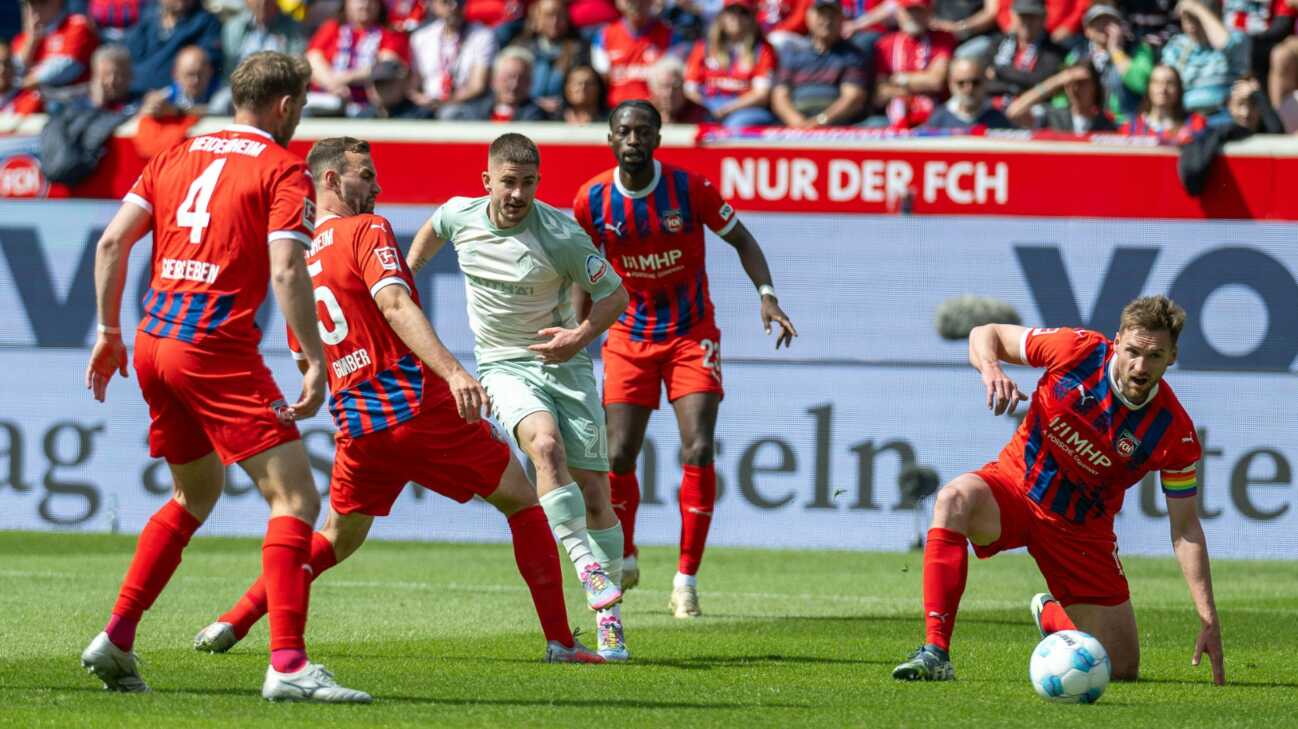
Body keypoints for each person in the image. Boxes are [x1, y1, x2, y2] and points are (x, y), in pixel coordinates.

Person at [191, 137, 602, 666]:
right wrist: (454, 372)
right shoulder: (368, 229)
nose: (378, 186)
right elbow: (393, 301)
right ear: (332, 182)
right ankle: (562, 642)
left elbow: (302, 351)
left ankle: (233, 620)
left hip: (359, 426)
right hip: (419, 409)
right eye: (365, 175)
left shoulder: (297, 257)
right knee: (523, 502)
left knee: (335, 538)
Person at [79, 51, 370, 703]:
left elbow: (110, 243)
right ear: (286, 106)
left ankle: (117, 636)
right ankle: (289, 663)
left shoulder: (176, 154)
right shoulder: (280, 168)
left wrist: (107, 333)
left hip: (154, 342)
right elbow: (290, 272)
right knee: (295, 498)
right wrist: (314, 358)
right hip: (212, 346)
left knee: (194, 495)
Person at [890, 295, 1226, 688]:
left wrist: (1209, 617)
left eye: (1154, 356)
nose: (1140, 366)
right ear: (1116, 341)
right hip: (1014, 488)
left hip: (1080, 533)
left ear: (1172, 357)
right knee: (953, 499)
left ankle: (1050, 614)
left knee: (1119, 667)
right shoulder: (1075, 350)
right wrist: (991, 368)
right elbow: (987, 333)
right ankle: (935, 652)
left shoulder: (1174, 433)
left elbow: (1184, 528)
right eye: (1132, 351)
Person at [407, 133, 632, 661]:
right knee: (545, 448)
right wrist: (403, 277)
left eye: (528, 182)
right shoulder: (459, 216)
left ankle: (610, 622)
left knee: (597, 495)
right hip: (504, 365)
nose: (517, 193)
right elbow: (432, 232)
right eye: (508, 181)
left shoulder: (560, 233)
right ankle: (586, 564)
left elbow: (615, 295)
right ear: (487, 180)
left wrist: (578, 335)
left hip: (565, 364)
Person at [572, 100, 797, 618]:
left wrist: (766, 294)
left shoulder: (688, 189)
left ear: (657, 138)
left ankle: (685, 580)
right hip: (627, 334)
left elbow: (742, 239)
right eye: (624, 131)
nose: (633, 139)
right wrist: (579, 334)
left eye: (643, 131)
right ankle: (624, 553)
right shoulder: (593, 200)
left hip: (690, 335)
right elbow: (581, 270)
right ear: (610, 138)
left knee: (697, 446)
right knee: (620, 454)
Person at [770, 0, 869, 127]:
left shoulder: (853, 55)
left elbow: (852, 98)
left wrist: (820, 121)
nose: (827, 21)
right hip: (794, 126)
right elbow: (779, 96)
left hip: (837, 127)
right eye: (821, 15)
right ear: (808, 17)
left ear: (841, 19)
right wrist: (798, 122)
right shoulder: (793, 52)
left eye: (832, 15)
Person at [683, 0, 780, 128]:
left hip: (745, 108)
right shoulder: (703, 48)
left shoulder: (763, 50)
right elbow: (690, 89)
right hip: (707, 105)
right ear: (722, 16)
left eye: (743, 13)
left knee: (736, 124)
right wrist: (706, 107)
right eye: (731, 12)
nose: (736, 18)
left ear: (752, 18)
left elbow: (761, 95)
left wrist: (727, 109)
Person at [306, 0, 411, 117]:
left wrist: (343, 78)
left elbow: (385, 67)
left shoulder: (391, 33)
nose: (365, 5)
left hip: (369, 109)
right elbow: (313, 59)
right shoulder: (331, 28)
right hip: (325, 103)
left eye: (371, 1)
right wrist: (332, 84)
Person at [872, 0, 957, 128]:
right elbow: (880, 94)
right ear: (898, 13)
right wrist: (917, 84)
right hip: (894, 118)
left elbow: (935, 82)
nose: (913, 16)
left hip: (936, 117)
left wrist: (899, 79)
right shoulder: (885, 44)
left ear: (929, 13)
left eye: (919, 11)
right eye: (908, 11)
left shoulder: (943, 39)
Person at [1067, 4, 1156, 123]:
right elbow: (1064, 95)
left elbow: (1141, 83)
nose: (1104, 26)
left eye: (1110, 21)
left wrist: (1115, 50)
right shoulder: (1076, 55)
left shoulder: (1139, 49)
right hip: (1087, 123)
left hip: (1126, 123)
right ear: (1087, 30)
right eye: (1097, 22)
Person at [1160, 0, 1251, 116]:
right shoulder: (1177, 46)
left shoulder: (1237, 38)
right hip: (1186, 118)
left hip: (1226, 115)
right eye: (1186, 19)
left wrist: (1196, 7)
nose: (1190, 26)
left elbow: (1227, 44)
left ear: (1215, 15)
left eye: (1196, 19)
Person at [409, 0, 496, 118]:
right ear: (434, 5)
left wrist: (445, 102)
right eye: (446, 2)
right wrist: (420, 99)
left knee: (449, 114)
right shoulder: (421, 37)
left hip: (465, 105)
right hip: (427, 105)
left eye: (459, 2)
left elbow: (477, 86)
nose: (454, 7)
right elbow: (413, 84)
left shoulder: (482, 36)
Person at [10, 0, 99, 114]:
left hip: (69, 107)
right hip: (26, 110)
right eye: (28, 4)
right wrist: (31, 42)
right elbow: (12, 72)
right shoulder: (23, 39)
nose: (33, 9)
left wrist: (21, 83)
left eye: (40, 3)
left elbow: (63, 69)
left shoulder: (76, 26)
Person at [591, 0, 678, 107]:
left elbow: (675, 78)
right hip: (615, 110)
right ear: (619, 2)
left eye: (641, 1)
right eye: (630, 1)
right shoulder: (603, 35)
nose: (636, 4)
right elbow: (602, 78)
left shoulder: (670, 35)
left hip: (654, 111)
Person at [125, 0, 222, 97]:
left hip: (177, 101)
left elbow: (204, 66)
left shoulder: (207, 23)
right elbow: (130, 56)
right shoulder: (146, 16)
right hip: (133, 97)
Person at [510, 0, 590, 115]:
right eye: (549, 15)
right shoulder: (521, 47)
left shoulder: (579, 49)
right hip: (526, 113)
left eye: (560, 16)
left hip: (565, 114)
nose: (555, 21)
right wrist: (535, 103)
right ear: (537, 18)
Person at [985, 0, 1067, 104]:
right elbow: (985, 78)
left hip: (1032, 109)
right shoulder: (997, 42)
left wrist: (999, 72)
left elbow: (1037, 80)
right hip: (993, 104)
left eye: (1032, 17)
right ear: (1013, 16)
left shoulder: (1053, 51)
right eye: (1022, 16)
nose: (1027, 23)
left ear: (1043, 18)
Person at [442, 45, 553, 120]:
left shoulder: (537, 115)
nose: (514, 85)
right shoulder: (474, 112)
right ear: (494, 80)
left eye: (522, 79)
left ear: (530, 82)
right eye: (508, 77)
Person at [1005, 62, 1119, 131]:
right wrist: (1056, 81)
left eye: (1082, 83)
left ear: (1095, 87)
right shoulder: (1053, 116)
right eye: (1070, 83)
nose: (1075, 89)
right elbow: (1014, 112)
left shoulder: (1107, 125)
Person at [1119, 63, 1208, 141]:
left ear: (1179, 90)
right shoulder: (1130, 129)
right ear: (1148, 88)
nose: (1163, 89)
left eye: (1170, 83)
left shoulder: (1195, 124)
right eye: (1157, 82)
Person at [923, 56, 1016, 127]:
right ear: (951, 84)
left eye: (975, 82)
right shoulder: (938, 120)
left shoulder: (999, 119)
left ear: (985, 82)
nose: (968, 89)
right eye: (961, 83)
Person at [648, 55, 712, 123]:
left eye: (675, 86)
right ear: (654, 88)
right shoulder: (645, 113)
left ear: (683, 87)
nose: (670, 93)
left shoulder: (700, 114)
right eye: (664, 86)